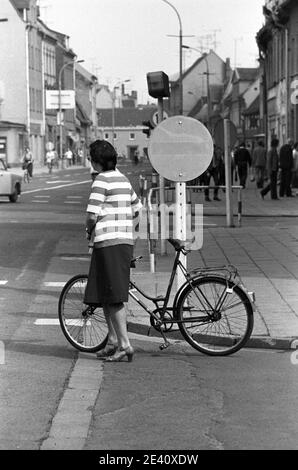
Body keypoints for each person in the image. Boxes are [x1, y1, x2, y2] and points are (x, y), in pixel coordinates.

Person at [84, 139, 142, 363]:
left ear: (97, 162)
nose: (91, 162)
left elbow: (91, 215)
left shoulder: (101, 180)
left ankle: (125, 344)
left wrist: (89, 230)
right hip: (122, 241)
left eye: (91, 158)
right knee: (107, 294)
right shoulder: (122, 179)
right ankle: (112, 340)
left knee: (115, 296)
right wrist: (126, 227)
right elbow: (138, 207)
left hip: (109, 243)